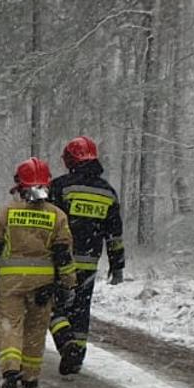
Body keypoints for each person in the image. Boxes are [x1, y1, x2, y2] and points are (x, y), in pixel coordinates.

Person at [0, 158, 77, 388]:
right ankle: (31, 377)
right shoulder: (58, 216)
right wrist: (68, 283)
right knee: (36, 329)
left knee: (9, 326)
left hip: (11, 283)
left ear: (19, 185)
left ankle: (11, 370)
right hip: (43, 286)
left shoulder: (6, 213)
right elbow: (64, 256)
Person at [48, 136, 126, 375]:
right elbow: (114, 235)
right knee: (81, 310)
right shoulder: (108, 192)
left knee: (54, 306)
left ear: (70, 159)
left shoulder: (61, 187)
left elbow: (49, 224)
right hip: (89, 264)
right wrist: (117, 265)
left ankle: (66, 343)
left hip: (62, 262)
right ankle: (77, 356)